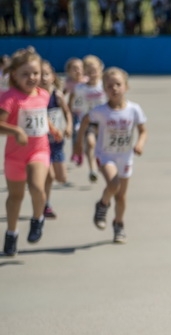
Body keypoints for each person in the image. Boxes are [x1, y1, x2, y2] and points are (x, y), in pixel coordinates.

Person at [73, 67, 147, 244]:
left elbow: (143, 130)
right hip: (105, 155)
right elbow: (85, 121)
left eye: (118, 85)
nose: (114, 89)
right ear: (104, 90)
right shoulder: (100, 111)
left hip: (125, 157)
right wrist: (78, 143)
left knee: (121, 196)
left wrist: (139, 143)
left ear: (126, 87)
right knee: (113, 184)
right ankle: (103, 204)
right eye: (109, 86)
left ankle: (118, 224)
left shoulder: (134, 109)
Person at [0, 47, 51, 257]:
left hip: (39, 151)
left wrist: (53, 129)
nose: (32, 78)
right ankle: (11, 233)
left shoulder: (44, 94)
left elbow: (40, 117)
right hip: (14, 156)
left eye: (35, 73)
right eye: (26, 74)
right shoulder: (10, 98)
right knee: (15, 197)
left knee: (37, 187)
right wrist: (16, 130)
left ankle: (38, 218)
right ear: (14, 75)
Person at [40, 59, 72, 219]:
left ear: (52, 76)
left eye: (46, 74)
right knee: (49, 176)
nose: (43, 78)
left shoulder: (56, 95)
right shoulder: (35, 96)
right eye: (40, 75)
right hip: (41, 143)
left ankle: (40, 194)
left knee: (61, 178)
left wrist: (68, 126)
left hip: (57, 144)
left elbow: (67, 112)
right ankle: (46, 205)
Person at [68, 54, 106, 184]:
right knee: (90, 143)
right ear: (85, 72)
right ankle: (92, 169)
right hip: (89, 121)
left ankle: (105, 165)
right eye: (89, 71)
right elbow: (76, 105)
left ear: (101, 69)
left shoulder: (105, 86)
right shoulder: (80, 88)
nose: (93, 73)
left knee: (103, 147)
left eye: (95, 70)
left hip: (105, 122)